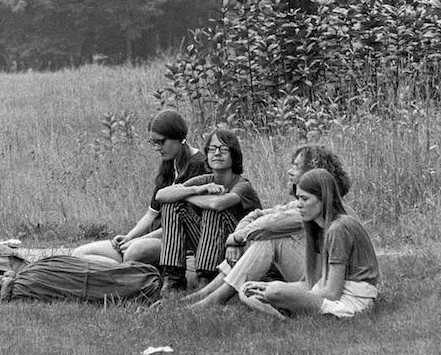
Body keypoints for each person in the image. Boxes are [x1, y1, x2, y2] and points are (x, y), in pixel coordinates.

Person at [184, 144, 351, 310]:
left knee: (267, 239)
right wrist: (238, 236)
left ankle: (216, 297)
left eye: (296, 166)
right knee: (259, 235)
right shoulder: (303, 203)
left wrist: (237, 238)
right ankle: (208, 293)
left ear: (312, 173)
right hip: (314, 268)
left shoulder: (317, 205)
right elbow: (257, 214)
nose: (289, 171)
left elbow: (268, 225)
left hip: (324, 277)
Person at [240, 167, 380, 319]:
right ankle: (285, 316)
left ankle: (287, 313)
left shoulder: (338, 228)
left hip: (352, 300)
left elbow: (332, 293)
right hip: (326, 293)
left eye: (305, 199)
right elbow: (313, 282)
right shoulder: (318, 227)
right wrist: (266, 287)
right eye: (298, 198)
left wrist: (285, 294)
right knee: (245, 291)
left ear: (323, 199)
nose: (299, 204)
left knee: (275, 292)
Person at [72, 109, 207, 266]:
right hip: (149, 238)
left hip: (176, 241)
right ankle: (123, 273)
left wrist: (139, 241)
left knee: (134, 252)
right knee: (80, 254)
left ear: (178, 137)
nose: (157, 148)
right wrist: (129, 237)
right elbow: (151, 213)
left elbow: (184, 223)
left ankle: (124, 273)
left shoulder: (198, 166)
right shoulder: (169, 163)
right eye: (153, 143)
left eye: (161, 142)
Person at [156, 125, 261, 294]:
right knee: (172, 205)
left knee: (213, 209)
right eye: (212, 149)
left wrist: (184, 195)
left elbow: (218, 204)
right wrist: (196, 190)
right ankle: (173, 279)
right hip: (208, 246)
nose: (217, 153)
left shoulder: (243, 185)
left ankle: (206, 278)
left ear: (234, 155)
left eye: (223, 149)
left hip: (238, 249)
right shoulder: (205, 180)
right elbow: (161, 195)